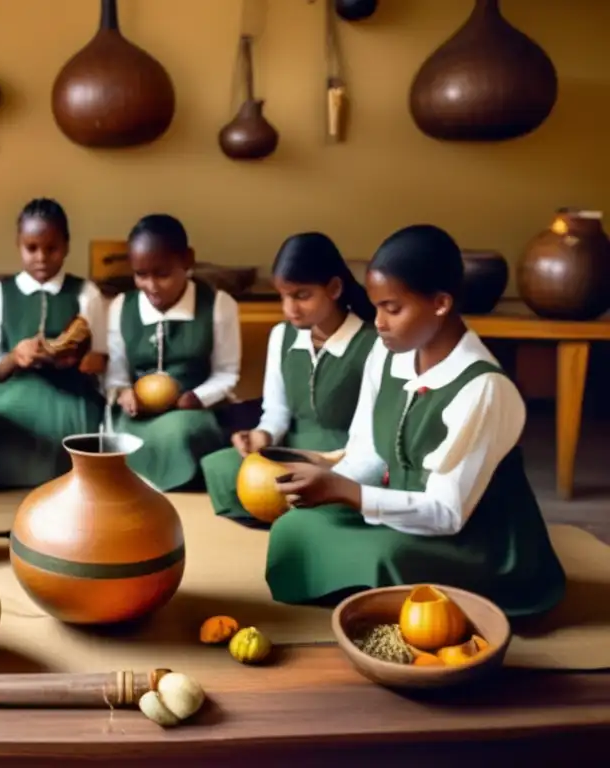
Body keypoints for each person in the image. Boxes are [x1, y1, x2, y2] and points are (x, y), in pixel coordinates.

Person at [265, 224, 566, 618]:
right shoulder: (387, 355)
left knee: (385, 555)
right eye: (375, 307)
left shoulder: (483, 387)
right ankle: (364, 592)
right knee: (296, 527)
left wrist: (349, 494)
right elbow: (367, 454)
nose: (379, 323)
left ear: (441, 303)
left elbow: (448, 513)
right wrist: (326, 485)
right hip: (403, 513)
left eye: (393, 308)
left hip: (474, 541)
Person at [200, 232, 377, 525]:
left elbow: (370, 437)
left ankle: (302, 515)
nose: (289, 308)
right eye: (283, 295)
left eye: (301, 295)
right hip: (289, 449)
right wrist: (262, 435)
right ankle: (300, 515)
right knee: (219, 467)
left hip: (340, 459)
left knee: (316, 486)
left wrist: (332, 463)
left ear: (333, 288)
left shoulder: (372, 344)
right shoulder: (282, 336)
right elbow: (277, 411)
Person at [0, 198, 108, 488]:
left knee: (75, 425)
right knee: (0, 420)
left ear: (67, 245)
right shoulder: (1, 293)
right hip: (15, 389)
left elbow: (101, 358)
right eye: (31, 248)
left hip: (72, 390)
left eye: (52, 248)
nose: (42, 258)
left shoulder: (86, 293)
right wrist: (14, 356)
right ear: (18, 244)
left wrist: (87, 362)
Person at [106, 214, 241, 491]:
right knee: (122, 441)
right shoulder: (122, 306)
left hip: (192, 412)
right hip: (138, 417)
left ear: (187, 260)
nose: (152, 286)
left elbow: (226, 372)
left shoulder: (217, 305)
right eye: (141, 275)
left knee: (181, 433)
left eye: (163, 274)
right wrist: (123, 393)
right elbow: (115, 374)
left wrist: (197, 397)